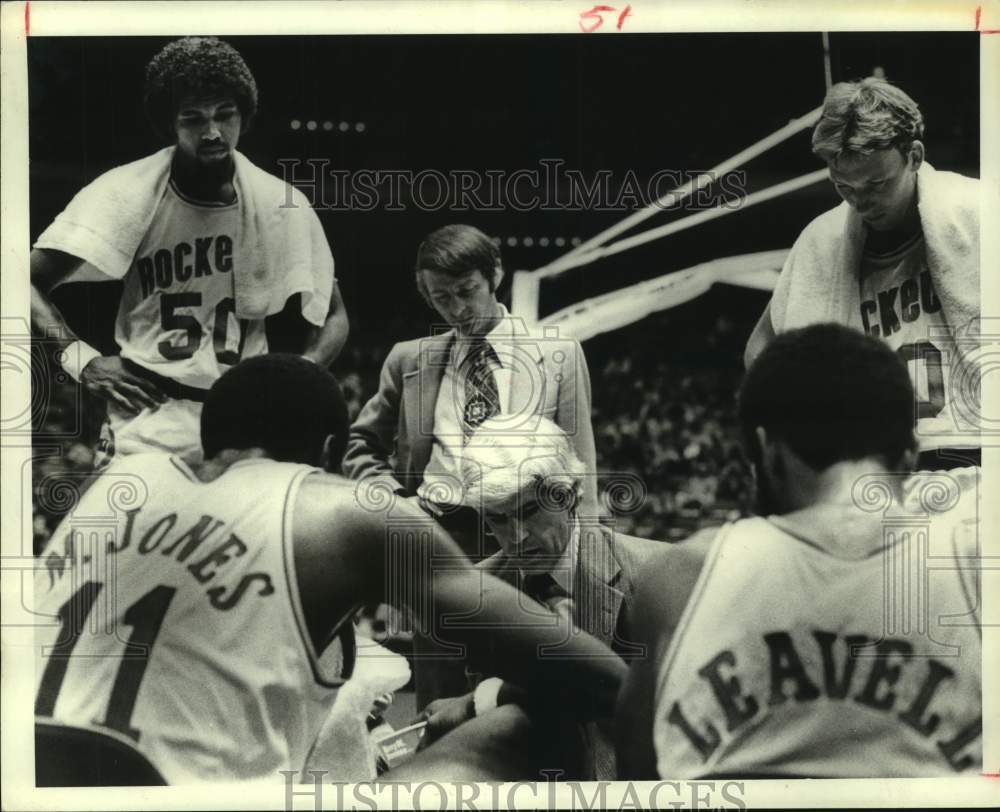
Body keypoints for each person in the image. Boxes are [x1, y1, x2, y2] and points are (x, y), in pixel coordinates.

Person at [33, 354, 625, 784]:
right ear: (326, 455)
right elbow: (600, 678)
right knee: (513, 730)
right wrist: (497, 695)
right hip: (185, 792)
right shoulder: (343, 510)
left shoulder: (112, 487)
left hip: (28, 780)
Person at [617, 324, 982, 778]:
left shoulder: (680, 578)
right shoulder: (976, 563)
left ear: (767, 450)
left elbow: (634, 775)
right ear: (909, 457)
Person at [30, 36, 349, 468]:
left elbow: (333, 315)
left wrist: (297, 377)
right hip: (149, 409)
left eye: (224, 114)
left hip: (245, 416)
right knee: (132, 535)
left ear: (245, 115)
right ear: (170, 124)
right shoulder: (124, 191)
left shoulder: (280, 202)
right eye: (194, 118)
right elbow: (22, 280)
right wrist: (82, 361)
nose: (213, 131)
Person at [744, 78, 979, 471]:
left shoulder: (978, 211)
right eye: (844, 186)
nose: (861, 200)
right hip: (871, 460)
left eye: (876, 183)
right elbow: (760, 351)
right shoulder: (822, 240)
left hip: (975, 442)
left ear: (915, 156)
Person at [414, 415, 662, 779]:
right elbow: (439, 738)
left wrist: (481, 700)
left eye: (528, 511)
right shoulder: (461, 597)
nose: (515, 537)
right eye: (497, 518)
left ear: (570, 495)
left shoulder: (657, 577)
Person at [343, 224, 597, 558]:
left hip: (522, 529)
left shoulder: (558, 355)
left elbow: (581, 463)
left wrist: (590, 554)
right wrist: (395, 502)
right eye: (442, 298)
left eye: (467, 291)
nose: (458, 309)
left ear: (495, 275)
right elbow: (359, 444)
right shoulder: (407, 360)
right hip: (433, 529)